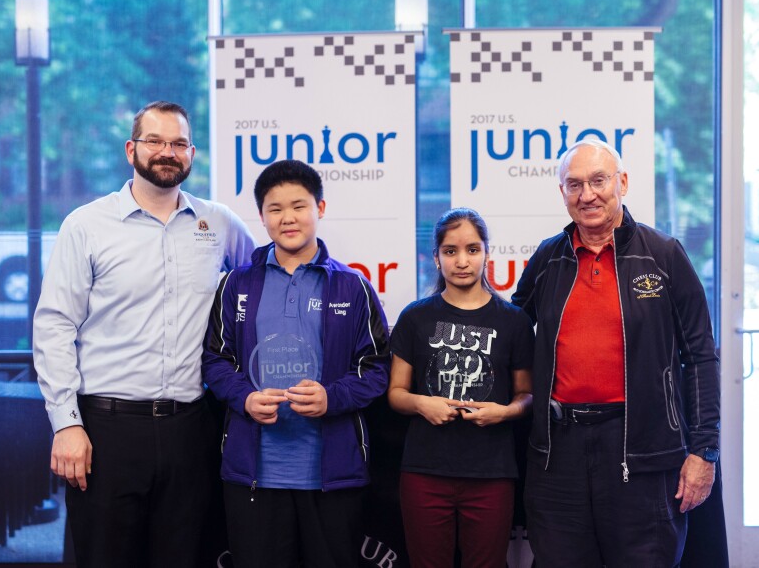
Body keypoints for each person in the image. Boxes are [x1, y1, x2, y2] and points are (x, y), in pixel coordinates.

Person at [33, 100, 256, 567]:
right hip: (106, 430)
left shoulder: (217, 224)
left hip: (191, 428)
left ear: (192, 153)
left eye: (178, 143)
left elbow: (262, 280)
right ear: (131, 149)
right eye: (155, 141)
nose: (167, 152)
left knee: (185, 557)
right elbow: (55, 326)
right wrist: (67, 424)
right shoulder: (86, 225)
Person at [511, 137, 720, 567]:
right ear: (563, 193)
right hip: (558, 454)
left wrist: (705, 450)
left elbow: (700, 354)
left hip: (642, 453)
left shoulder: (664, 256)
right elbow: (510, 328)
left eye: (598, 180)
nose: (587, 194)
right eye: (574, 184)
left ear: (621, 182)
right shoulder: (549, 258)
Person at [201, 159, 390, 567]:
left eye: (299, 205)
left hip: (332, 474)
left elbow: (376, 369)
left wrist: (332, 398)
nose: (288, 217)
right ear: (262, 217)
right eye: (275, 208)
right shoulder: (237, 283)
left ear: (319, 209)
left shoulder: (352, 285)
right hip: (253, 473)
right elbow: (215, 360)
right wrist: (245, 398)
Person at [388, 207, 534, 568]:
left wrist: (506, 412)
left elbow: (526, 396)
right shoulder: (415, 317)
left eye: (472, 249)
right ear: (436, 258)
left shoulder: (513, 321)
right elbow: (395, 393)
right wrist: (424, 404)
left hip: (491, 475)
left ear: (486, 252)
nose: (462, 261)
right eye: (450, 251)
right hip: (425, 472)